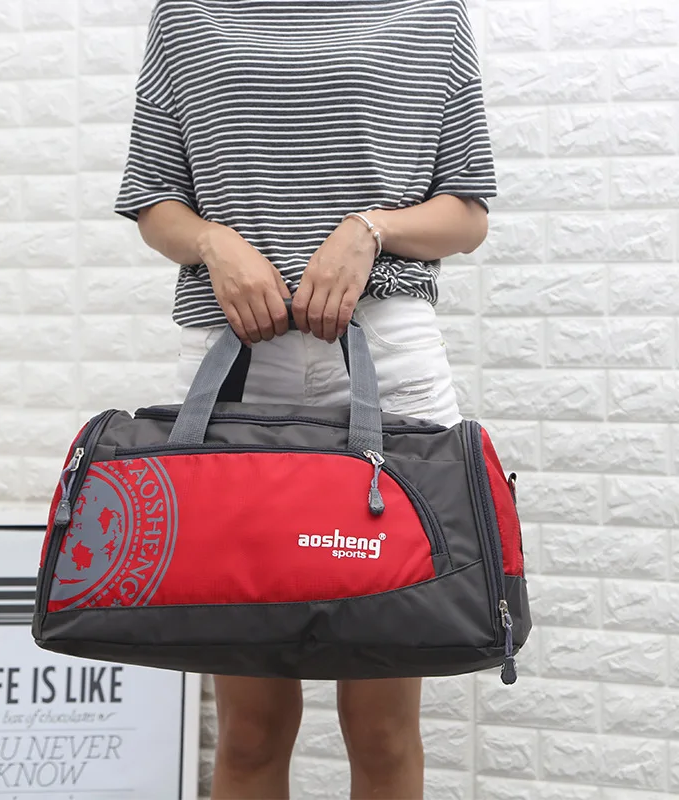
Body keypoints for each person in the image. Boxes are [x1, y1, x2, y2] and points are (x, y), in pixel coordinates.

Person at [114, 1, 496, 797]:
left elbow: (465, 212)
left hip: (386, 356)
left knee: (383, 730)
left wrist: (370, 229)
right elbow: (154, 199)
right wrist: (214, 242)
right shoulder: (187, 15)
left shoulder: (429, 13)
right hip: (233, 363)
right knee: (249, 730)